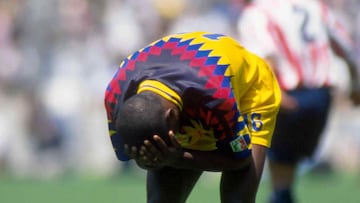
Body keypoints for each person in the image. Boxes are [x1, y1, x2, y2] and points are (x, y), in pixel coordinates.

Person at [104, 31, 281, 203]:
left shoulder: (216, 96)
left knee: (237, 199)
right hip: (196, 93)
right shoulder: (115, 97)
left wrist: (177, 158)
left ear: (171, 116)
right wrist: (149, 161)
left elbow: (240, 159)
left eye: (161, 143)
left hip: (248, 92)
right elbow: (141, 157)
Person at [237, 0, 360, 202]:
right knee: (287, 165)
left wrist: (276, 92)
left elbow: (267, 55)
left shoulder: (258, 12)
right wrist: (355, 85)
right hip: (320, 97)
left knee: (271, 165)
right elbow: (345, 47)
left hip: (287, 95)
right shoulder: (313, 6)